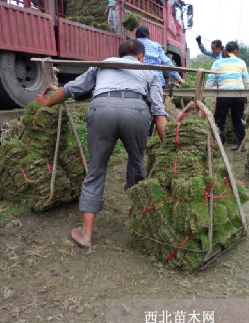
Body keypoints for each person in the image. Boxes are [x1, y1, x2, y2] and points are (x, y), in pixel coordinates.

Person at [35, 40, 168, 247]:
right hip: (136, 110)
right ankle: (137, 216)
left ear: (120, 54)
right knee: (136, 163)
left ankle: (86, 234)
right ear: (140, 57)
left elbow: (72, 88)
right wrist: (169, 145)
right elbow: (159, 113)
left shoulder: (103, 63)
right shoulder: (148, 71)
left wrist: (47, 102)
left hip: (101, 109)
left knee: (96, 169)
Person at [205, 41, 249, 151]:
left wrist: (205, 91)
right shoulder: (241, 62)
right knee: (237, 119)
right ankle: (241, 145)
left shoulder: (218, 63)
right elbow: (246, 80)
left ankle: (217, 144)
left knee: (219, 120)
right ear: (236, 51)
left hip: (224, 95)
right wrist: (247, 93)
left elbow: (211, 79)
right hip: (239, 95)